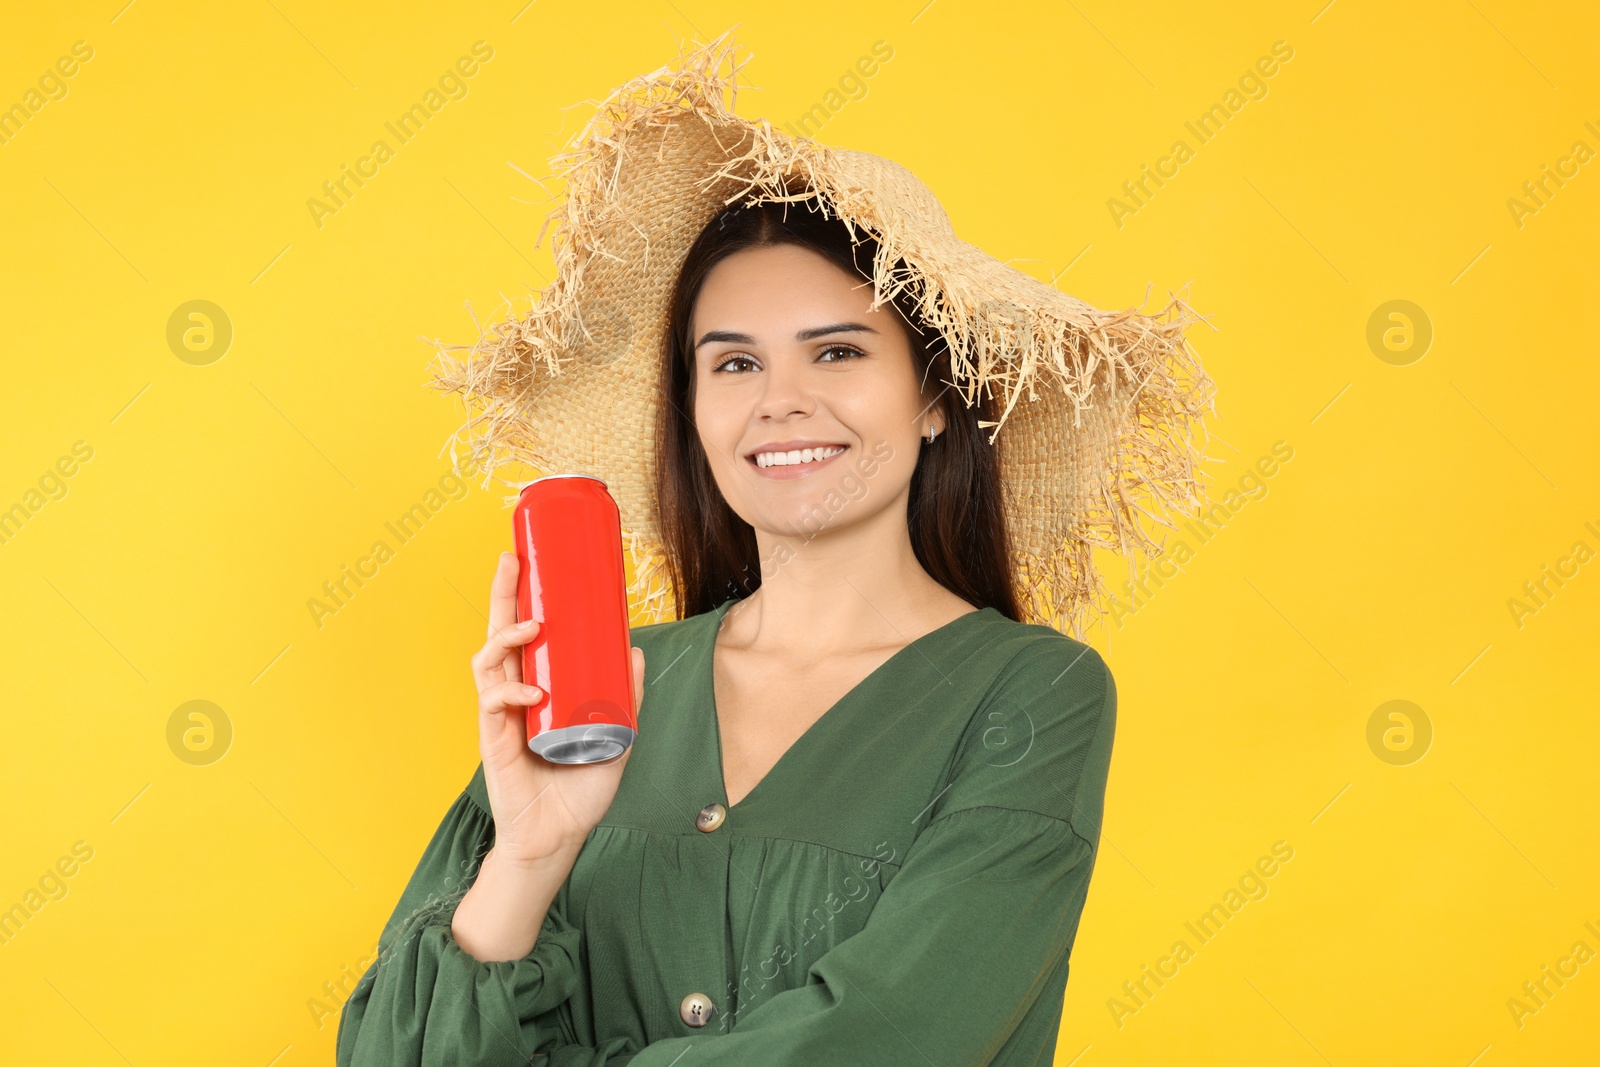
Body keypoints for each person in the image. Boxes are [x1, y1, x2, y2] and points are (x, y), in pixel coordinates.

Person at [336, 31, 1213, 1067]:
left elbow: (889, 1035)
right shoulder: (597, 695)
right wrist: (530, 852)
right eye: (734, 362)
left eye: (836, 351)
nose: (780, 401)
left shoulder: (1031, 697)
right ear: (693, 412)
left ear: (934, 394)